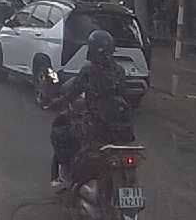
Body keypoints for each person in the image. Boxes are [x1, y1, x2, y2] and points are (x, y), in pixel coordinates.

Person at [46, 30, 134, 190]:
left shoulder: (89, 71)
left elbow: (72, 94)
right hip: (123, 132)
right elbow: (124, 94)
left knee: (60, 133)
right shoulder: (120, 71)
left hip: (96, 128)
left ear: (91, 49)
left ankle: (66, 178)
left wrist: (55, 103)